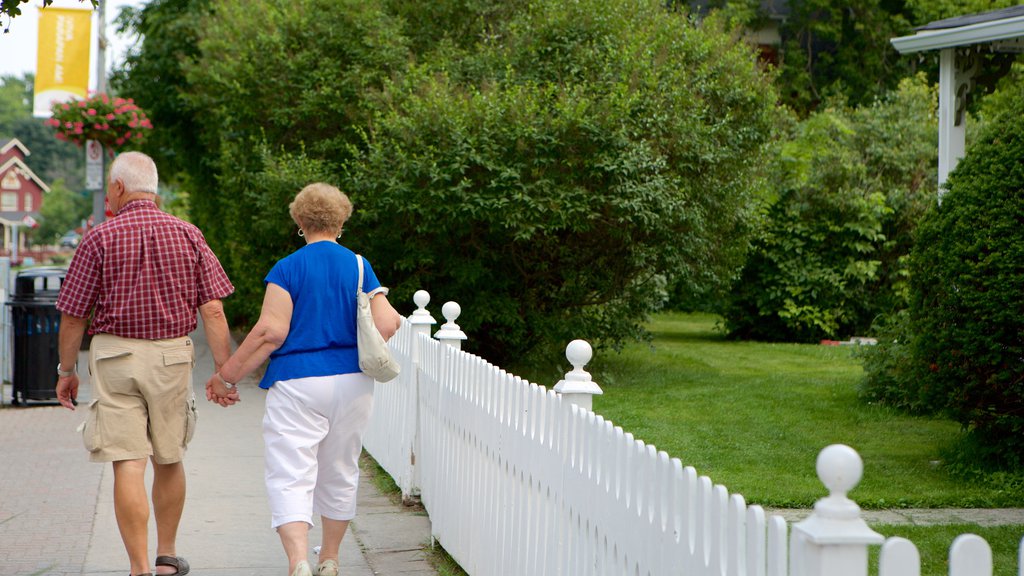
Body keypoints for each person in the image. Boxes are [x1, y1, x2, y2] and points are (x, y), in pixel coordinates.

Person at [205, 182, 402, 576]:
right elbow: (389, 322)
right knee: (341, 470)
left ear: (299, 221)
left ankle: (298, 562)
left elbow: (269, 333)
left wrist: (226, 377)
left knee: (291, 473)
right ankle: (329, 559)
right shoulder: (360, 266)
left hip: (298, 383)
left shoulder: (287, 269)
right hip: (352, 383)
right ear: (341, 221)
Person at [55, 151, 235, 576]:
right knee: (169, 457)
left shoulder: (98, 238)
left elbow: (73, 315)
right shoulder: (189, 234)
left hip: (115, 356)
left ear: (117, 187)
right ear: (153, 187)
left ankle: (137, 569)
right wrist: (224, 374)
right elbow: (212, 310)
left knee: (128, 462)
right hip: (171, 356)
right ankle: (167, 557)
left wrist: (67, 372)